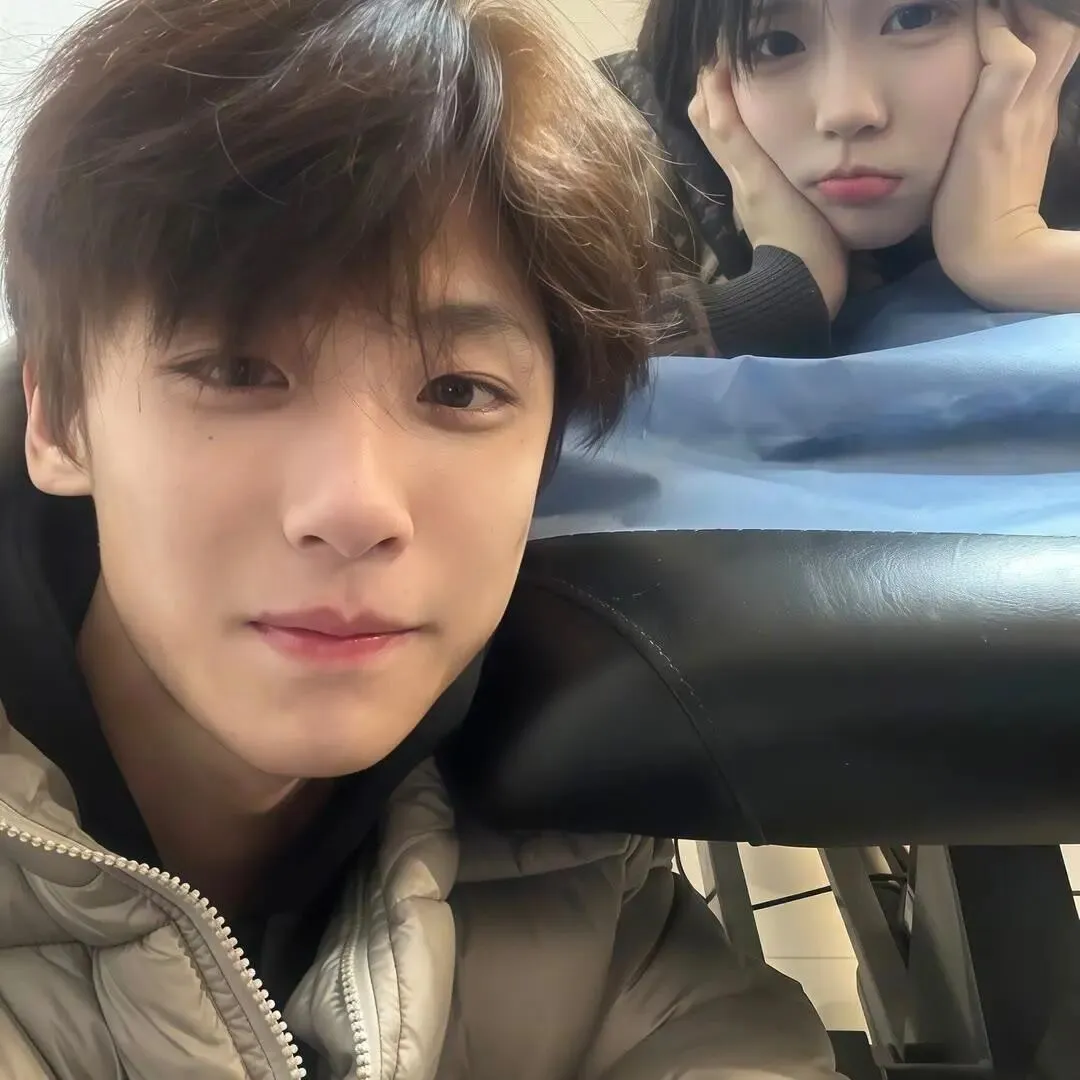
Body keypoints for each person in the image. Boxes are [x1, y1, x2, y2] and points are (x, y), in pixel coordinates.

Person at [0, 0, 848, 1076]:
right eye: (237, 370)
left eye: (459, 390)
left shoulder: (570, 849)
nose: (356, 506)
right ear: (58, 420)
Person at [609, 0, 1080, 357]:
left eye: (913, 18)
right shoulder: (610, 139)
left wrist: (1016, 255)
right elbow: (567, 373)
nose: (847, 111)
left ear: (1030, 27)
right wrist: (781, 294)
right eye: (775, 44)